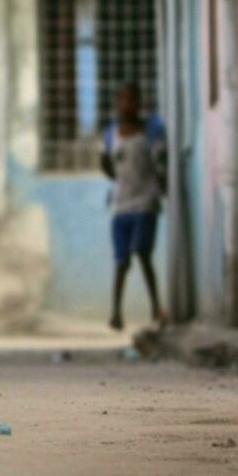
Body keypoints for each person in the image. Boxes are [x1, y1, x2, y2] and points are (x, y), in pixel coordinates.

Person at [102, 81, 168, 330]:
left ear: (139, 102)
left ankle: (155, 307)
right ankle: (116, 313)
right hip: (121, 204)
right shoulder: (111, 134)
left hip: (145, 202)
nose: (127, 104)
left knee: (142, 252)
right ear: (117, 103)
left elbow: (161, 163)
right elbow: (108, 167)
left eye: (132, 99)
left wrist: (160, 189)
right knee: (121, 261)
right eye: (123, 99)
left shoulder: (151, 131)